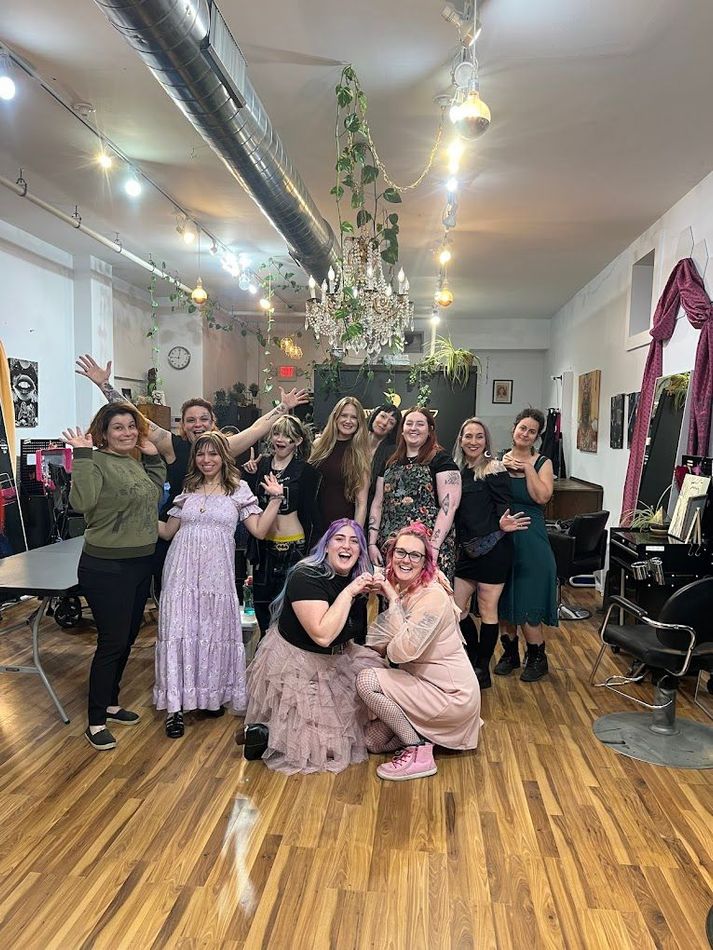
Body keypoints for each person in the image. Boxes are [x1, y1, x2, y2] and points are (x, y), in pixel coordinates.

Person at [75, 353, 308, 593]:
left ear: (213, 422)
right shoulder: (172, 445)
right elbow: (138, 418)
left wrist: (283, 407)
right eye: (190, 420)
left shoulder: (224, 447)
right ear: (182, 424)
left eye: (203, 419)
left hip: (213, 544)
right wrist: (104, 384)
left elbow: (257, 428)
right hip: (174, 532)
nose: (198, 424)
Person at [154, 431, 285, 737]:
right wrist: (137, 509)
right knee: (179, 630)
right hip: (180, 572)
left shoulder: (237, 489)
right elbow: (167, 531)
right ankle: (175, 708)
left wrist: (276, 499)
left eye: (213, 454)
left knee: (211, 629)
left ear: (224, 457)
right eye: (201, 454)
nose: (207, 460)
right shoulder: (187, 489)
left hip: (217, 575)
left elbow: (260, 530)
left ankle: (210, 696)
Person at [242, 519, 385, 774]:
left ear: (361, 553)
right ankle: (267, 735)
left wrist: (389, 594)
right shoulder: (305, 575)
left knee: (368, 718)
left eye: (355, 542)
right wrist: (351, 592)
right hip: (298, 662)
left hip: (339, 657)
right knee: (323, 747)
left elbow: (354, 634)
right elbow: (322, 635)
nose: (347, 546)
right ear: (326, 546)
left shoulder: (355, 581)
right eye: (339, 539)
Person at [62, 404, 166, 752]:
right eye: (118, 428)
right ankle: (95, 722)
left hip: (139, 564)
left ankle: (110, 702)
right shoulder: (96, 460)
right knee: (112, 642)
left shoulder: (132, 461)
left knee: (128, 637)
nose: (127, 433)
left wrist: (153, 460)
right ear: (103, 433)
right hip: (106, 567)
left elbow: (150, 495)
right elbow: (83, 501)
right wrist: (82, 455)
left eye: (131, 427)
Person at [357, 522, 482, 782]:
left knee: (366, 680)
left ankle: (418, 750)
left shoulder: (432, 596)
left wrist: (390, 599)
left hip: (449, 696)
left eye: (415, 555)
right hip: (422, 687)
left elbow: (402, 653)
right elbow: (381, 641)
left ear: (425, 562)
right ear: (391, 556)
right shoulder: (408, 587)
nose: (406, 560)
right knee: (372, 742)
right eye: (400, 552)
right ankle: (425, 735)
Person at [452, 418, 530, 689]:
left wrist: (502, 524)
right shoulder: (457, 471)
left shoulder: (494, 469)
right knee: (457, 610)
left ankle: (481, 668)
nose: (473, 441)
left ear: (486, 441)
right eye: (468, 436)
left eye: (479, 436)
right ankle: (471, 656)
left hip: (494, 548)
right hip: (465, 551)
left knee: (487, 610)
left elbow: (502, 505)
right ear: (460, 440)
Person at [241, 415, 322, 635]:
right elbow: (247, 501)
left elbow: (312, 513)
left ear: (297, 441)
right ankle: (265, 655)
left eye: (288, 435)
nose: (281, 439)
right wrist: (249, 474)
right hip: (263, 546)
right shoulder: (261, 465)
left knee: (288, 606)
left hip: (293, 546)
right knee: (262, 605)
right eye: (277, 433)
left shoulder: (306, 471)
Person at [495, 408, 558, 682]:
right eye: (522, 428)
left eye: (532, 431)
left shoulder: (542, 462)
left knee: (529, 601)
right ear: (514, 429)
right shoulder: (497, 459)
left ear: (537, 437)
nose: (525, 434)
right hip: (503, 536)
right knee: (504, 599)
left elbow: (542, 497)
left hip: (532, 538)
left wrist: (528, 468)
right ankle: (509, 654)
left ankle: (537, 657)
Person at [369, 406, 461, 580]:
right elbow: (378, 503)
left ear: (429, 430)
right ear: (402, 430)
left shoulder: (442, 460)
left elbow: (449, 506)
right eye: (409, 423)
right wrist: (372, 542)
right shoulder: (390, 462)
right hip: (392, 549)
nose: (414, 428)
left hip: (427, 550)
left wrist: (433, 547)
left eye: (420, 424)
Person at [309, 396, 371, 527]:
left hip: (342, 527)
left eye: (354, 417)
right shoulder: (318, 445)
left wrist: (355, 535)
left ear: (359, 422)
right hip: (313, 523)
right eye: (344, 415)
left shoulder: (360, 454)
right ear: (335, 417)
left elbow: (361, 503)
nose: (348, 421)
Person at [366, 404, 402, 512]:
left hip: (373, 509)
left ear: (392, 429)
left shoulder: (392, 452)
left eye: (391, 422)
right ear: (374, 416)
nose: (384, 423)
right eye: (383, 416)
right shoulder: (356, 440)